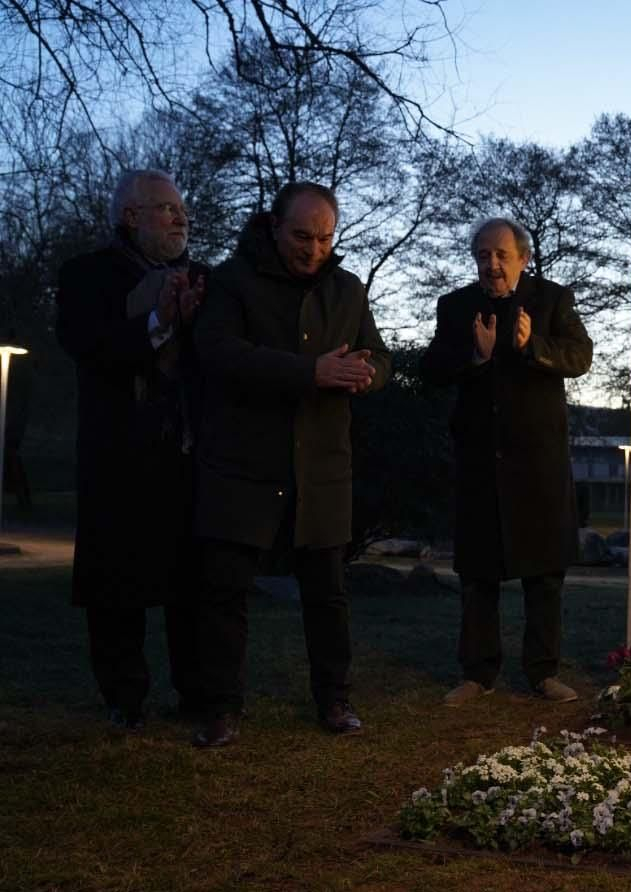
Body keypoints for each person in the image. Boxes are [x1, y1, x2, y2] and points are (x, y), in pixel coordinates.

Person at [189, 182, 391, 746]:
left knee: (327, 593)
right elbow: (218, 353)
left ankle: (335, 700)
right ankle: (220, 708)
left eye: (325, 237)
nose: (314, 249)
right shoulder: (232, 282)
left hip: (322, 468)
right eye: (302, 236)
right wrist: (310, 373)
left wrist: (369, 374)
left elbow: (380, 355)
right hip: (242, 464)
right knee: (225, 592)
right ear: (274, 226)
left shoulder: (347, 290)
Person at [56, 169, 205, 731]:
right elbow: (85, 345)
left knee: (190, 588)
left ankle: (196, 694)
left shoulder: (201, 278)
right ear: (130, 216)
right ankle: (125, 698)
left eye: (182, 209)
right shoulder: (86, 275)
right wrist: (156, 324)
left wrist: (194, 326)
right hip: (119, 459)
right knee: (116, 591)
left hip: (187, 457)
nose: (180, 218)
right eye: (166, 209)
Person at [420, 217, 592, 706]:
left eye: (500, 255)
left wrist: (529, 346)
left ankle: (543, 673)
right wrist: (473, 356)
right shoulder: (455, 306)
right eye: (481, 255)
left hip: (538, 462)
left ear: (523, 258)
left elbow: (581, 357)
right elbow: (431, 368)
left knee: (544, 577)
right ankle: (477, 674)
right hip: (479, 461)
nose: (490, 264)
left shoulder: (553, 300)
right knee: (478, 575)